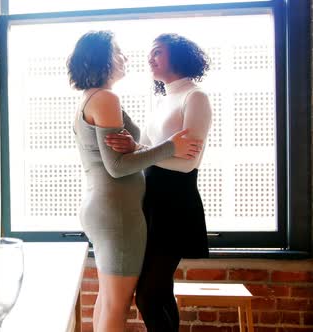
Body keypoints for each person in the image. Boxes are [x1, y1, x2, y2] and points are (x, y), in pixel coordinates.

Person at [67, 30, 203, 332]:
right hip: (117, 214)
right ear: (103, 60)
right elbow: (117, 166)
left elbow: (126, 151)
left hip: (106, 209)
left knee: (107, 300)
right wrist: (171, 147)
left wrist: (146, 148)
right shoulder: (105, 98)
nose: (126, 58)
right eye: (118, 52)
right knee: (118, 306)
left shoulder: (92, 98)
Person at [105, 33, 212, 332]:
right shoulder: (164, 98)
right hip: (151, 204)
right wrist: (134, 146)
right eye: (150, 53)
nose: (150, 58)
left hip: (176, 204)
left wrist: (139, 151)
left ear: (177, 56)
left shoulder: (196, 97)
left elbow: (188, 161)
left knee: (149, 297)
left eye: (158, 52)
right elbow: (151, 150)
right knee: (161, 292)